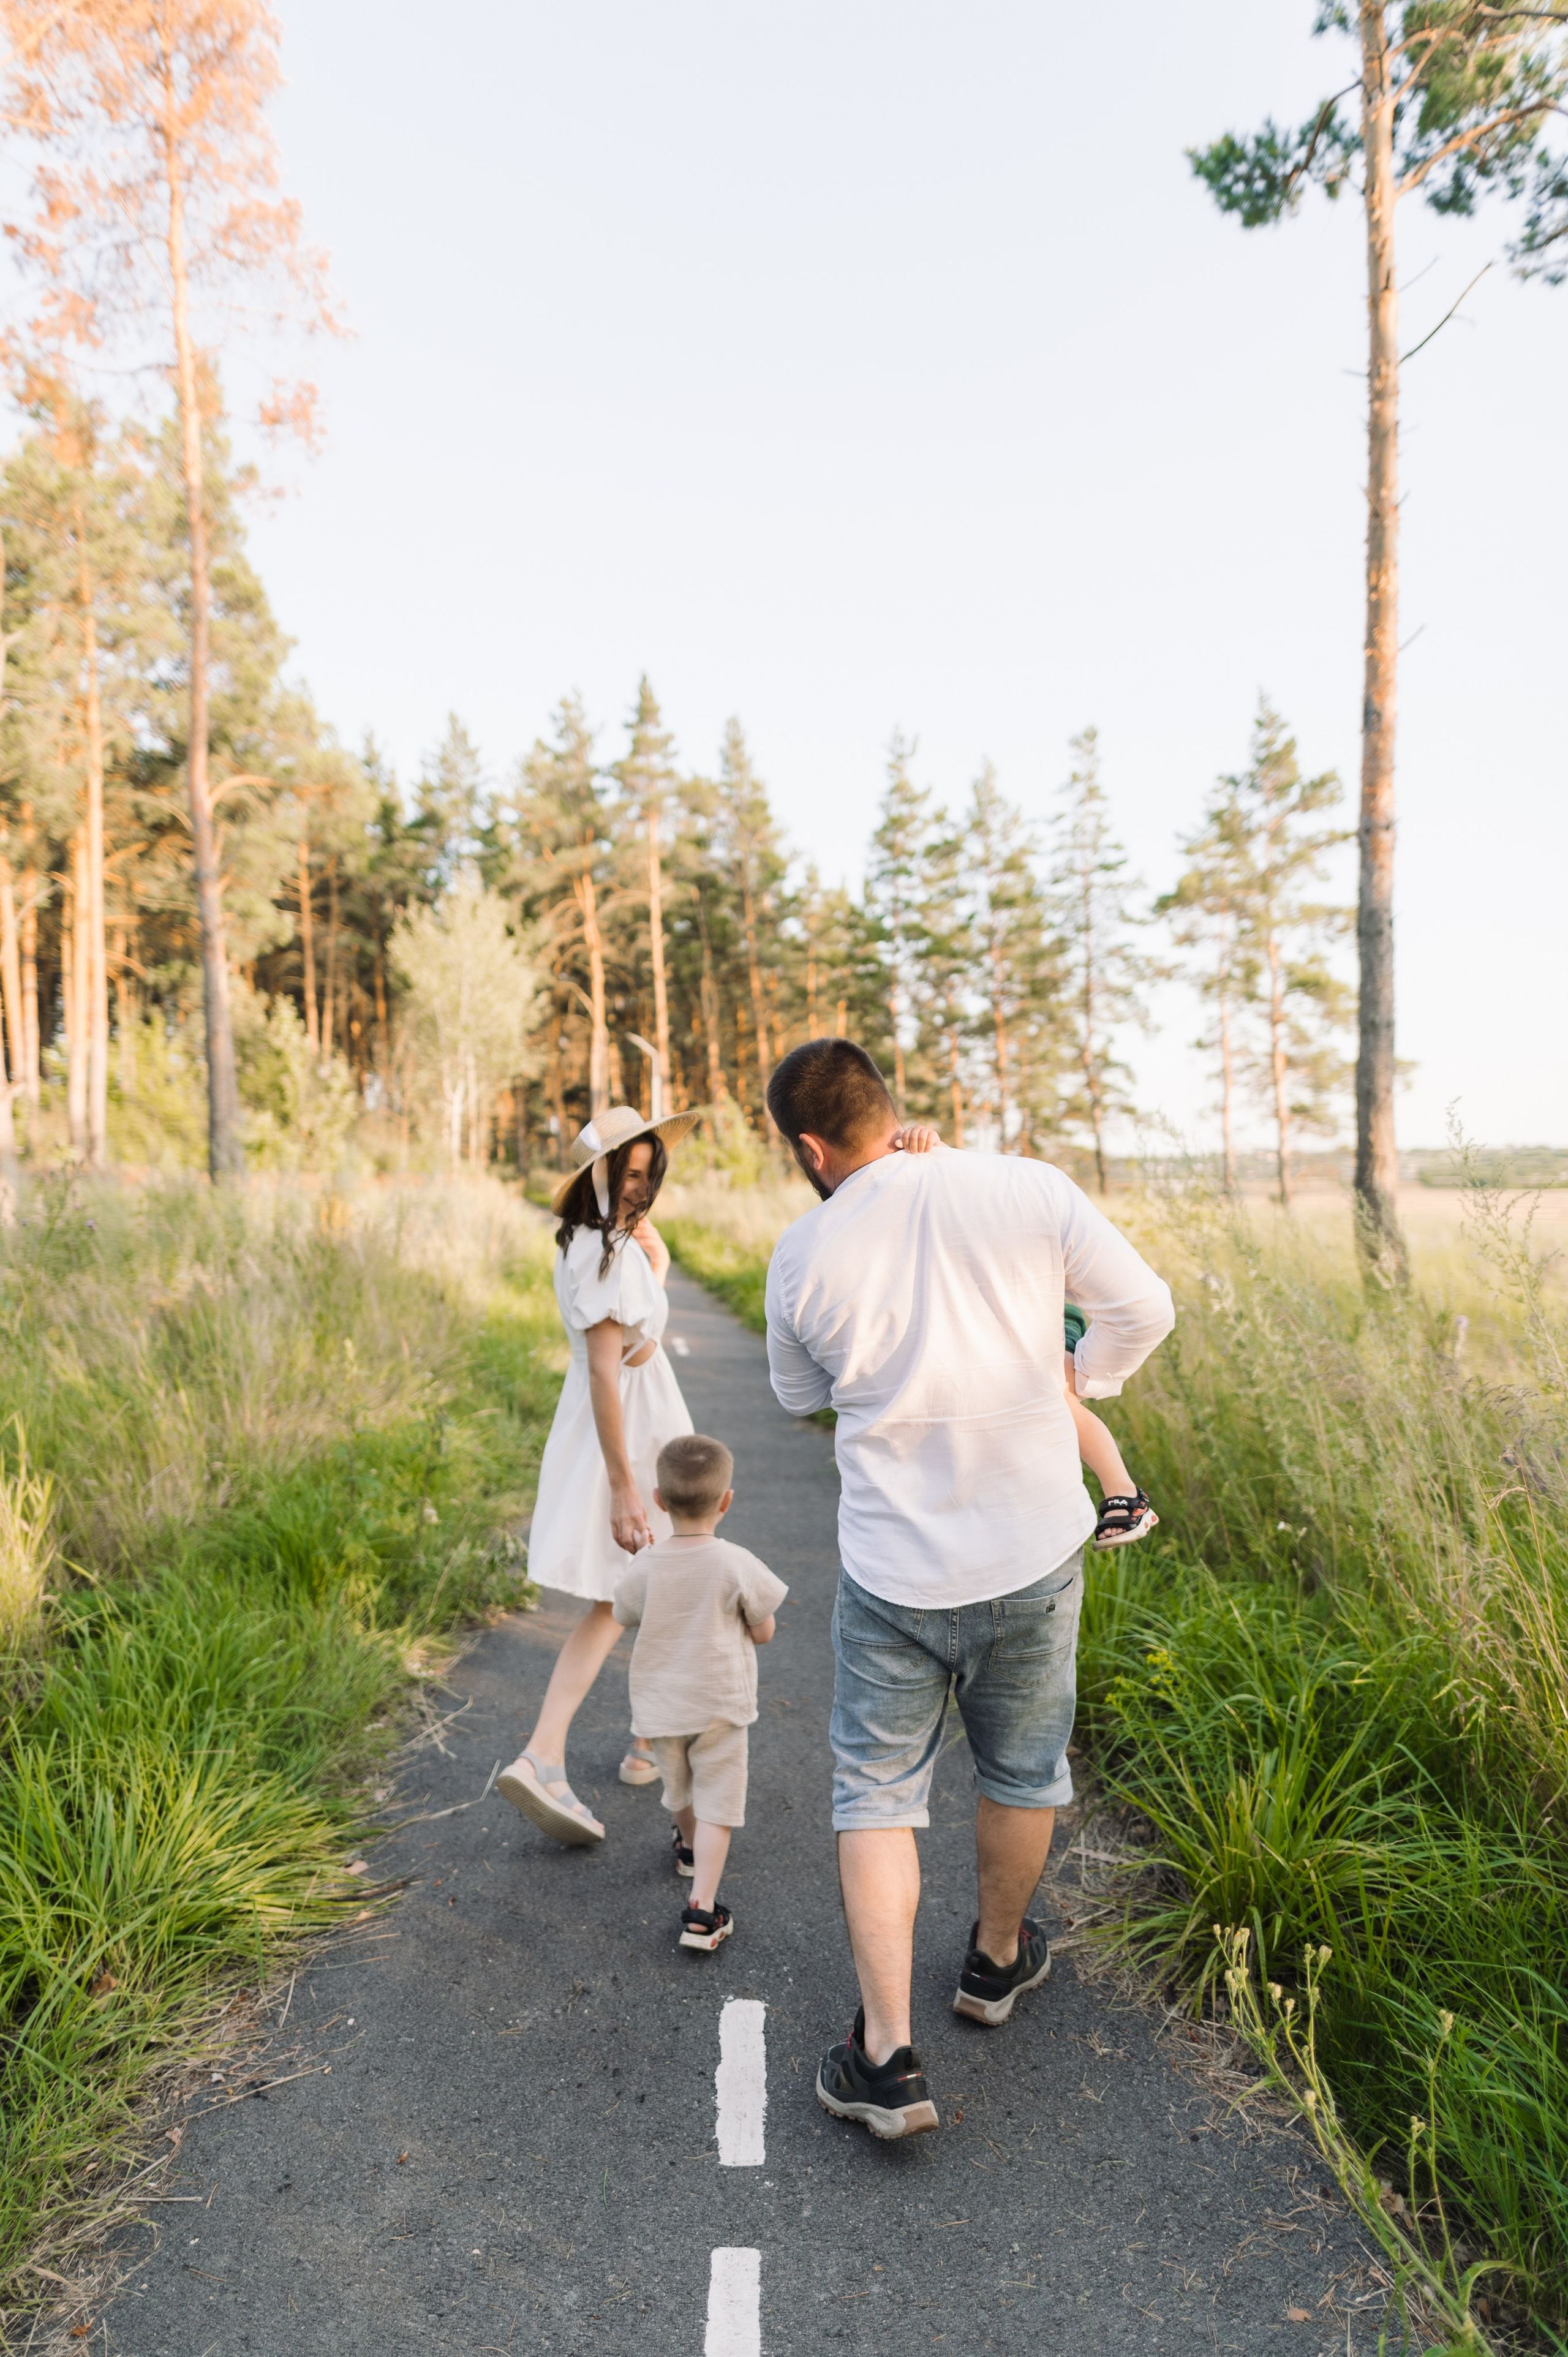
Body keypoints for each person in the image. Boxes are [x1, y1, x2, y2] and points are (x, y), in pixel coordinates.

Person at [763, 1039, 1174, 2141]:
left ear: (809, 1146)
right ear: (889, 1107)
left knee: (878, 1795)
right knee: (1025, 1766)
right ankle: (995, 1963)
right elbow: (1146, 1306)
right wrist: (1076, 1384)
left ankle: (887, 2055)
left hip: (894, 1570)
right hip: (1035, 1552)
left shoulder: (801, 1252)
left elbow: (800, 1388)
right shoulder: (1027, 1187)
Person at [497, 1103, 701, 1848]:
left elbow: (629, 1334)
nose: (641, 1187)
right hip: (629, 1428)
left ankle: (629, 1746)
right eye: (629, 1171)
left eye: (652, 1173)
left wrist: (660, 1265)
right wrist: (624, 1484)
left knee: (631, 1594)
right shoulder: (603, 1251)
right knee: (642, 1589)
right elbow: (607, 1374)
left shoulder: (598, 1242)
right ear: (599, 1172)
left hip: (640, 1418)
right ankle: (553, 1751)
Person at [899, 1128, 1159, 1550]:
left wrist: (930, 1144)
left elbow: (954, 1163)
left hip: (1051, 1321)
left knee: (1058, 1398)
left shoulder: (987, 1196)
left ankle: (1126, 1494)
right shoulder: (924, 1226)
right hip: (1006, 1326)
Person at [612, 1433, 788, 1953]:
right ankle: (703, 1910)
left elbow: (624, 1614)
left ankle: (687, 1846)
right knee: (718, 1803)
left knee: (681, 1790)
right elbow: (764, 1629)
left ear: (660, 1501)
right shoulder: (736, 1562)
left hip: (662, 1707)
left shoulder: (646, 1564)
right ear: (726, 1501)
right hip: (722, 1706)